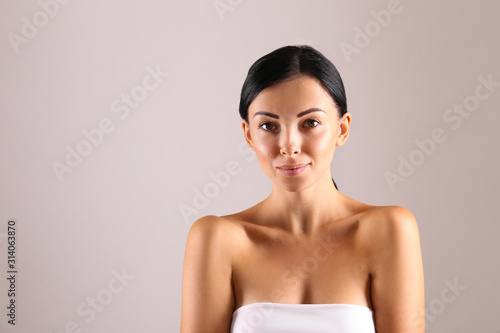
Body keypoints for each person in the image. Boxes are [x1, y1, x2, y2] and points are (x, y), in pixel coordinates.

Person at [181, 45, 425, 333]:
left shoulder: (389, 230)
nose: (289, 146)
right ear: (248, 134)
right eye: (269, 126)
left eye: (310, 123)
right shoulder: (216, 240)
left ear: (342, 129)